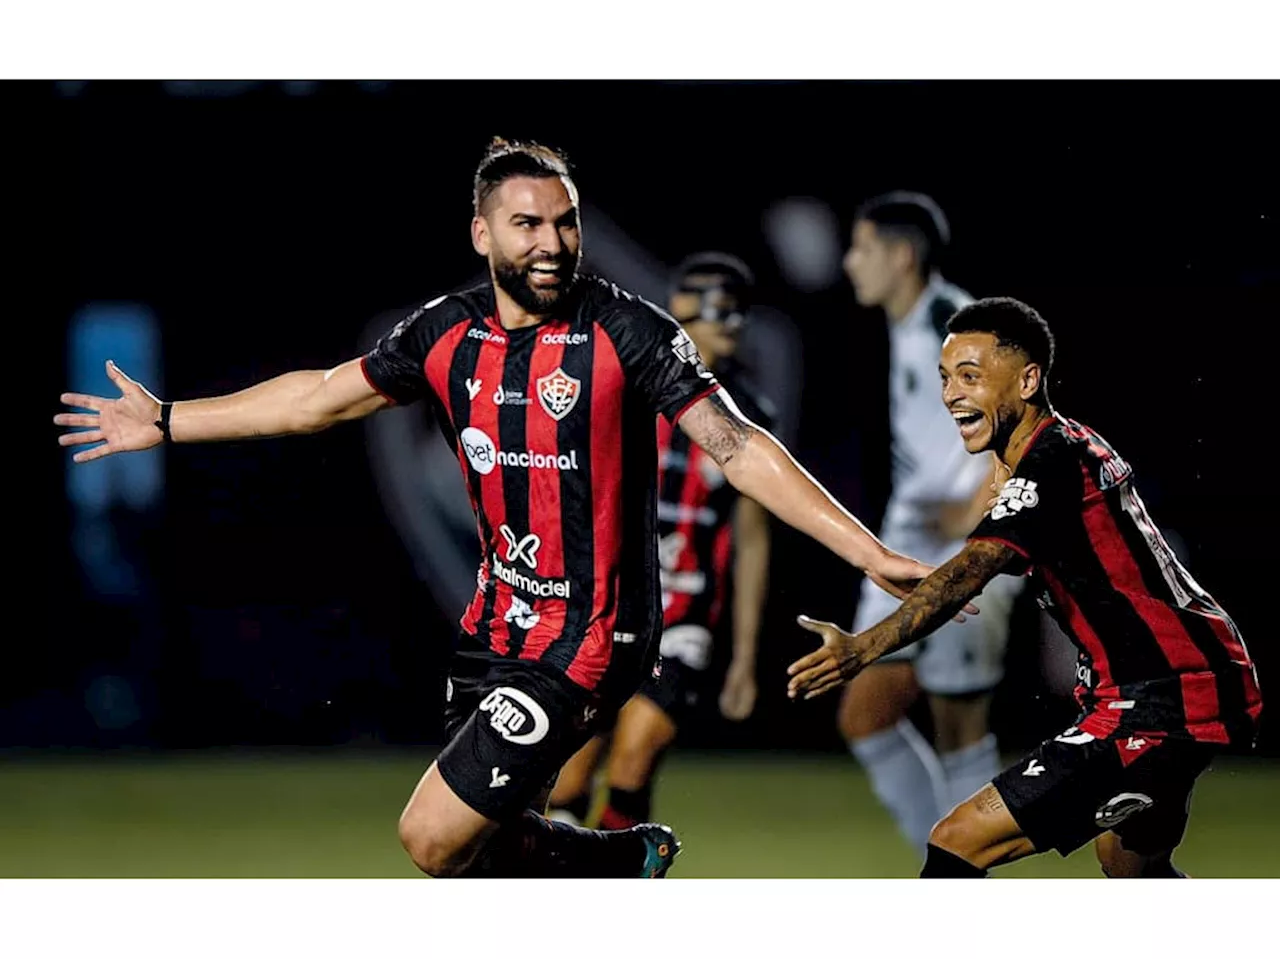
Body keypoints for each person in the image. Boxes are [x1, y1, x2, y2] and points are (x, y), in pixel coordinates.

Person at [55, 136, 945, 879]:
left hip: (593, 634)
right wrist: (169, 421)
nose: (552, 242)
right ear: (481, 232)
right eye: (528, 224)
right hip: (495, 627)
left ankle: (611, 861)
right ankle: (622, 862)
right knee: (483, 853)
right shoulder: (445, 333)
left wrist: (866, 552)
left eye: (566, 222)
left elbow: (738, 445)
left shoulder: (627, 331)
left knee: (430, 836)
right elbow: (316, 398)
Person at [787, 297, 1263, 878]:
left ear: (1029, 379)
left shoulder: (1051, 461)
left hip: (1162, 698)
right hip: (1188, 683)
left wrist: (864, 648)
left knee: (959, 839)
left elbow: (973, 569)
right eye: (944, 377)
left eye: (971, 376)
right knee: (1131, 868)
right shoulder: (1054, 449)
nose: (951, 394)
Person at [546, 252, 775, 829]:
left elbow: (751, 542)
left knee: (633, 761)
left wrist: (744, 658)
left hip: (686, 618)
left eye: (739, 316)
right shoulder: (628, 393)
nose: (732, 329)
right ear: (683, 317)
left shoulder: (750, 416)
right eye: (721, 314)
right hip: (610, 609)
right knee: (569, 779)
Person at [837, 191, 1025, 855]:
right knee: (864, 716)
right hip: (910, 545)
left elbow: (1026, 415)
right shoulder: (912, 326)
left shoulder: (955, 326)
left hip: (969, 547)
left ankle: (959, 881)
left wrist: (980, 509)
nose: (848, 261)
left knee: (960, 728)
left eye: (861, 248)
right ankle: (942, 863)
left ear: (901, 255)